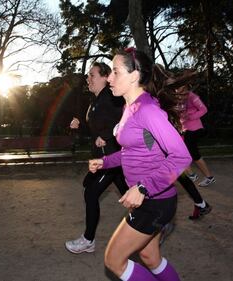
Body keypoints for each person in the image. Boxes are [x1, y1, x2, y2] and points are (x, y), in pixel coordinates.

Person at [89, 48, 191, 281]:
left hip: (155, 200)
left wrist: (143, 187)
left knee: (114, 261)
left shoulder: (147, 110)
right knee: (149, 257)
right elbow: (132, 152)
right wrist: (105, 162)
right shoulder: (130, 107)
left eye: (115, 72)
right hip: (149, 198)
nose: (109, 78)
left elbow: (181, 157)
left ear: (134, 75)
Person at [65, 62, 128, 254]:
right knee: (126, 192)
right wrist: (80, 126)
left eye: (92, 75)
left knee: (91, 193)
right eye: (88, 75)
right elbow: (95, 131)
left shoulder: (111, 97)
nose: (88, 78)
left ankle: (88, 240)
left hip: (112, 156)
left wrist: (108, 135)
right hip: (101, 157)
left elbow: (125, 120)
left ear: (104, 76)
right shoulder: (95, 100)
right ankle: (152, 216)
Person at [149, 65, 212, 221]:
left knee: (169, 172)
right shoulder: (160, 93)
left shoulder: (162, 94)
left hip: (166, 136)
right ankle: (201, 204)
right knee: (177, 172)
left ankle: (159, 214)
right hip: (168, 135)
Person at [176, 80, 216, 187]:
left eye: (178, 86)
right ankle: (192, 175)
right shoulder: (178, 97)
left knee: (193, 152)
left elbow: (204, 109)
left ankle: (209, 177)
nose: (176, 88)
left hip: (195, 128)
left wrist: (191, 116)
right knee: (178, 151)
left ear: (184, 86)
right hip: (184, 129)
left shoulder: (192, 96)